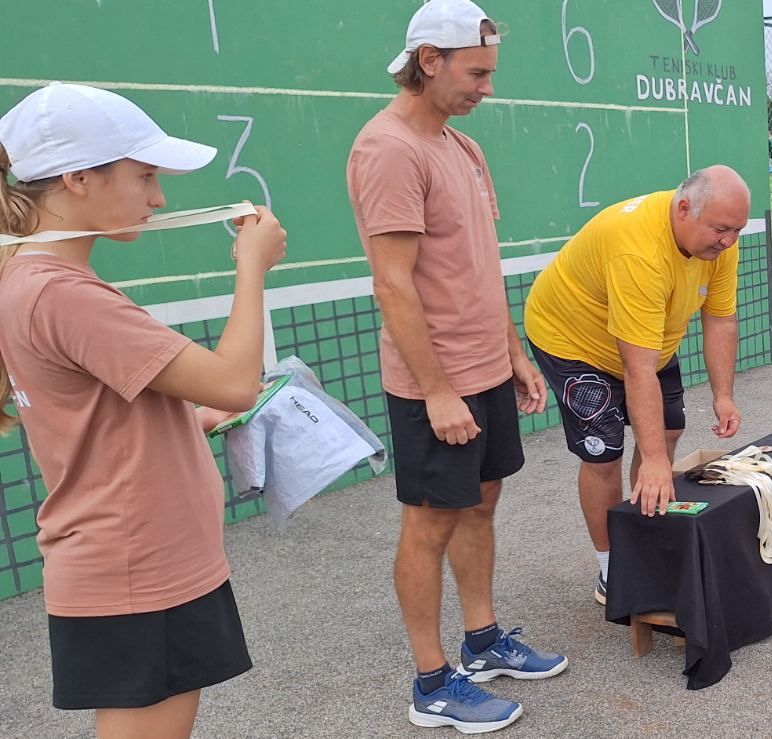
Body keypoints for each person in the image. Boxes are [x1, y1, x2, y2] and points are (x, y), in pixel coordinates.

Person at [0, 82, 286, 737]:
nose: (158, 197)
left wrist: (189, 423)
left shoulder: (36, 280)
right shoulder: (62, 292)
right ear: (77, 178)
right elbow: (234, 382)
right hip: (135, 565)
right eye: (146, 176)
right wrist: (252, 267)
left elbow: (101, 416)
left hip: (142, 559)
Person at [346, 0, 565, 732]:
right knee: (429, 523)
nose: (487, 88)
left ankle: (482, 642)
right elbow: (393, 283)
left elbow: (479, 264)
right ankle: (432, 682)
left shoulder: (461, 147)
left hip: (484, 369)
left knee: (482, 501)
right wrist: (437, 390)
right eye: (477, 73)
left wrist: (512, 352)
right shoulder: (386, 149)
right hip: (432, 384)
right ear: (429, 61)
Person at [523, 166, 747, 605]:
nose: (729, 241)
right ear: (684, 209)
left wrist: (723, 395)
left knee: (664, 436)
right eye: (721, 229)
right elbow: (637, 368)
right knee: (606, 452)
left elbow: (720, 318)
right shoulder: (638, 249)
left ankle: (642, 537)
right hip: (574, 341)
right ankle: (612, 568)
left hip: (648, 338)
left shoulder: (720, 243)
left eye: (736, 230)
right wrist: (657, 464)